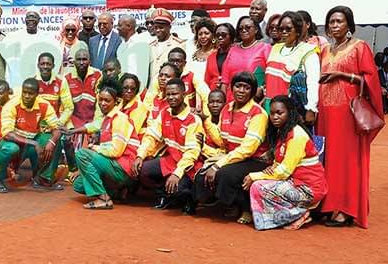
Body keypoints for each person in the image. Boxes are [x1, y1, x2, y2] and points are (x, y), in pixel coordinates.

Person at [317, 6, 385, 228]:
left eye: (339, 21)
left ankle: (346, 209)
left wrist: (343, 75)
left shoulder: (359, 47)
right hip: (326, 114)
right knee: (328, 160)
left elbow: (372, 79)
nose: (334, 26)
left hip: (347, 113)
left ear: (349, 25)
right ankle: (329, 205)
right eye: (331, 22)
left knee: (346, 161)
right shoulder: (325, 50)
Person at [194, 72, 269, 224]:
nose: (241, 90)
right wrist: (206, 121)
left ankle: (246, 208)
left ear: (252, 91)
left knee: (225, 174)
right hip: (232, 156)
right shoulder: (227, 108)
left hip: (255, 159)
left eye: (246, 88)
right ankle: (229, 204)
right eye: (238, 86)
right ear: (232, 88)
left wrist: (217, 165)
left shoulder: (258, 114)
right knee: (201, 173)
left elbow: (248, 149)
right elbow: (222, 141)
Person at [244, 95, 327, 231]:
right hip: (295, 182)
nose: (275, 117)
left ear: (290, 113)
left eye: (280, 113)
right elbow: (279, 163)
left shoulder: (296, 136)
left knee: (259, 186)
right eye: (272, 113)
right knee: (259, 185)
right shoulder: (283, 132)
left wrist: (255, 175)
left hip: (308, 188)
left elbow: (284, 172)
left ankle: (300, 213)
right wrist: (269, 170)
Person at [132, 77, 202, 214]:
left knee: (179, 189)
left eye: (175, 94)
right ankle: (164, 196)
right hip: (170, 160)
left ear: (184, 94)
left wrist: (177, 173)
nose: (171, 97)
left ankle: (190, 200)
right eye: (168, 94)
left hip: (188, 166)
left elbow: (192, 153)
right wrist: (140, 155)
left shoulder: (193, 120)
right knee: (140, 169)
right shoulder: (164, 113)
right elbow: (151, 136)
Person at [68, 82, 139, 209]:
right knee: (79, 185)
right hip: (113, 164)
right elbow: (92, 126)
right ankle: (117, 191)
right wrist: (73, 130)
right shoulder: (107, 118)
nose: (102, 103)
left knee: (82, 154)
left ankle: (104, 198)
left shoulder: (120, 118)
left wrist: (94, 148)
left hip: (124, 167)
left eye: (107, 100)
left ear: (116, 101)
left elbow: (115, 151)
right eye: (100, 99)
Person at [0, 78, 65, 193]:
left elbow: (57, 128)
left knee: (54, 140)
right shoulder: (11, 105)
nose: (26, 96)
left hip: (30, 144)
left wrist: (52, 142)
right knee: (11, 148)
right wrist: (34, 143)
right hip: (11, 143)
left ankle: (43, 179)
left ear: (37, 94)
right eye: (24, 92)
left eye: (30, 93)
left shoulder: (44, 105)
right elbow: (7, 135)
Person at [264, 11, 320, 125]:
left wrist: (311, 109)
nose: (284, 32)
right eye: (281, 29)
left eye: (288, 29)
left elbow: (313, 83)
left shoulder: (308, 51)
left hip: (292, 109)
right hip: (270, 106)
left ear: (298, 30)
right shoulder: (275, 48)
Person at [224, 16, 271, 97]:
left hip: (254, 97)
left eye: (248, 27)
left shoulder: (265, 48)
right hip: (231, 98)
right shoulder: (233, 49)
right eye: (240, 28)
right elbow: (225, 80)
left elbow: (270, 75)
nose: (244, 30)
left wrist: (262, 89)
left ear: (256, 29)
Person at [161, 47, 210, 113]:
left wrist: (205, 114)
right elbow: (150, 99)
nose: (175, 64)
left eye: (178, 61)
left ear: (184, 63)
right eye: (172, 61)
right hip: (166, 115)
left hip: (188, 116)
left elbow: (206, 96)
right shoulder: (161, 77)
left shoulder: (192, 76)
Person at [147, 8, 184, 88]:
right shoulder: (150, 46)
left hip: (170, 90)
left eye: (161, 27)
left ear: (169, 27)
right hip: (152, 91)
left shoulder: (179, 45)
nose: (158, 30)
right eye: (156, 27)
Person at [116, 14, 150, 87]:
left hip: (136, 91)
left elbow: (143, 73)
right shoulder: (121, 46)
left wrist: (140, 92)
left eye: (120, 25)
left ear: (129, 26)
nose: (117, 28)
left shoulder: (141, 43)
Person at [204, 23, 236, 95]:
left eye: (223, 35)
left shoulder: (238, 53)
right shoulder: (211, 57)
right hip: (215, 96)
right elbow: (207, 80)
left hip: (232, 94)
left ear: (231, 36)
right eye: (217, 35)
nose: (220, 37)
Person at [189, 18, 216, 85]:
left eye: (206, 33)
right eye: (200, 34)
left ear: (213, 35)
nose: (203, 36)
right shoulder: (193, 54)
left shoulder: (217, 54)